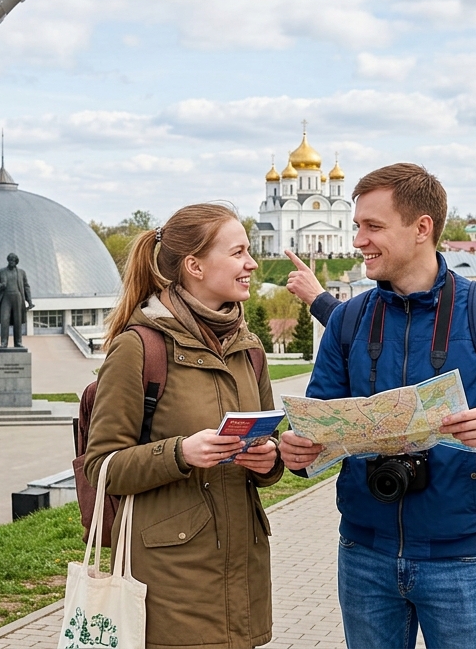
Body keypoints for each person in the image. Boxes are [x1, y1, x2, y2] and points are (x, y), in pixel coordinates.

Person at [278, 163, 476, 649]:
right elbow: (316, 420)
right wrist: (299, 454)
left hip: (460, 562)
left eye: (373, 227)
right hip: (364, 554)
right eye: (356, 226)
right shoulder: (347, 321)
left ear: (422, 228)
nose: (358, 240)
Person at [85, 202, 284, 649]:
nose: (251, 263)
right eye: (237, 253)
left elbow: (268, 452)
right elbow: (101, 467)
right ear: (195, 265)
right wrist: (179, 454)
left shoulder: (248, 349)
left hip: (243, 574)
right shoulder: (139, 348)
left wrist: (266, 459)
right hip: (169, 584)